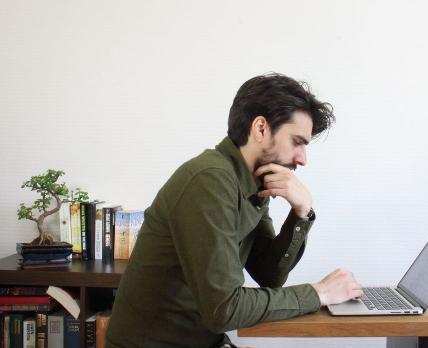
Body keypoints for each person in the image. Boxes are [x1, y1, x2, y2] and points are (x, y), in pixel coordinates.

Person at [107, 73, 363, 347]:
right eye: (297, 142)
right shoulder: (210, 180)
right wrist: (319, 293)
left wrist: (302, 212)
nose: (302, 159)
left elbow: (269, 276)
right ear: (261, 129)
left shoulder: (250, 182)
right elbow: (225, 309)